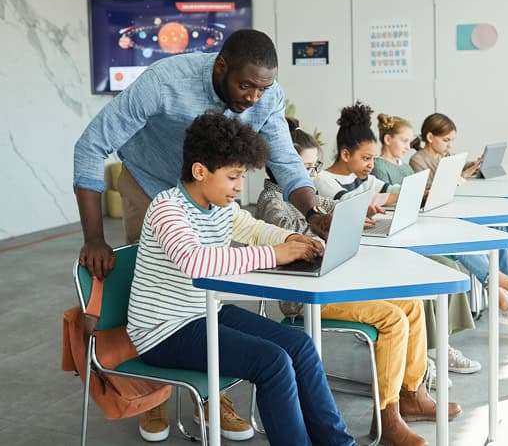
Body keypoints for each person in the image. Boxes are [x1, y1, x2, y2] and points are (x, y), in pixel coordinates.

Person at [73, 29, 329, 441]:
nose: (252, 97)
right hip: (151, 182)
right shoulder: (165, 81)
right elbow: (91, 147)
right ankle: (153, 397)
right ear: (221, 66)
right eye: (245, 85)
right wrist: (93, 237)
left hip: (211, 192)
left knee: (272, 338)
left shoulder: (264, 93)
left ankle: (211, 396)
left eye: (261, 89)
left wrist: (313, 213)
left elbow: (284, 157)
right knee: (163, 281)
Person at [126, 112, 356, 446]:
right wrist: (276, 254)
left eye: (242, 176)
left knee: (301, 346)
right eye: (233, 177)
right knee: (273, 362)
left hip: (205, 312)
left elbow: (251, 227)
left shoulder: (220, 205)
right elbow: (196, 262)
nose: (238, 186)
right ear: (200, 171)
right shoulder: (167, 209)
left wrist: (289, 240)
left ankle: (340, 444)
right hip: (164, 331)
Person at [256, 117, 461, 446]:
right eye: (304, 168)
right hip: (304, 296)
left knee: (412, 304)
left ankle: (412, 393)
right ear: (280, 168)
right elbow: (293, 239)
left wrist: (355, 212)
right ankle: (388, 416)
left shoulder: (305, 195)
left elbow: (334, 206)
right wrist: (330, 229)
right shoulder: (272, 203)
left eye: (313, 167)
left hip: (331, 280)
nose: (310, 176)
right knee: (392, 318)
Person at [372, 113, 481, 377]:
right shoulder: (379, 168)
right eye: (405, 140)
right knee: (441, 266)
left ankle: (441, 344)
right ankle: (433, 348)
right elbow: (392, 197)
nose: (410, 145)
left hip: (411, 227)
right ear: (388, 139)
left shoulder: (404, 166)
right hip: (393, 237)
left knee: (450, 265)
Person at [410, 113, 508, 328]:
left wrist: (475, 165)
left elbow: (454, 175)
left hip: (455, 214)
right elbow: (432, 192)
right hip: (442, 221)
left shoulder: (445, 157)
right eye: (446, 140)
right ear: (430, 137)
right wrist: (463, 176)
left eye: (452, 140)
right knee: (479, 240)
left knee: (502, 220)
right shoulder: (418, 161)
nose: (449, 145)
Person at [314, 102, 401, 207]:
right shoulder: (323, 180)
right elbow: (351, 202)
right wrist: (400, 195)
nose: (371, 165)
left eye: (373, 158)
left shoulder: (362, 177)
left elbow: (391, 189)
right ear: (346, 155)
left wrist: (417, 190)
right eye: (366, 158)